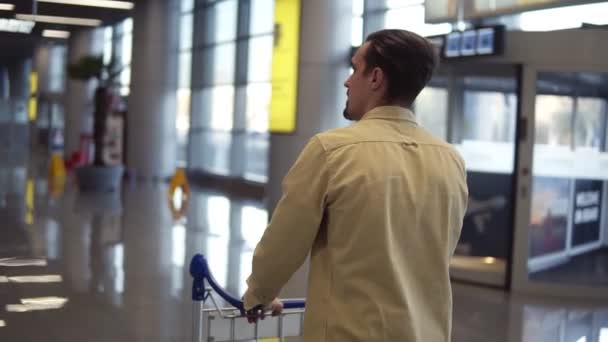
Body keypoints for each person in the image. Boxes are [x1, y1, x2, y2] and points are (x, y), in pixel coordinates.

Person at [243, 29, 469, 342]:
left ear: (375, 78)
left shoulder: (332, 151)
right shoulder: (450, 160)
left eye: (354, 69)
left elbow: (284, 240)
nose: (347, 81)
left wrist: (259, 294)